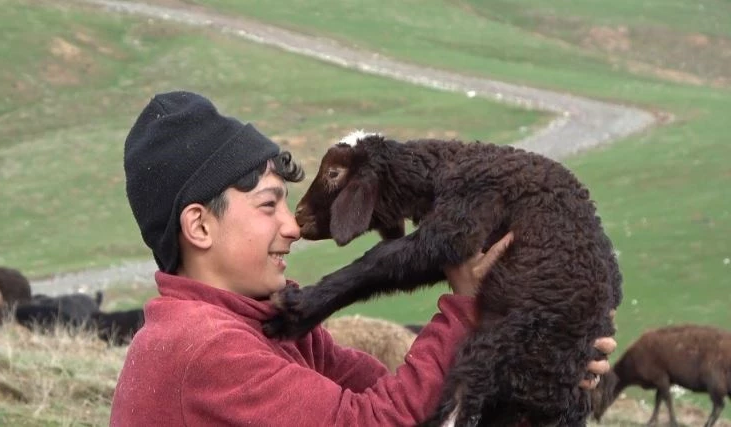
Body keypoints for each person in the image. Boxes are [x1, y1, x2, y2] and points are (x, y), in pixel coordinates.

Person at [109, 90, 616, 426]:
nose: (292, 227)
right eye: (269, 205)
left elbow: (409, 405)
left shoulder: (266, 328)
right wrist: (471, 309)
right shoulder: (205, 349)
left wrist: (535, 366)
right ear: (199, 226)